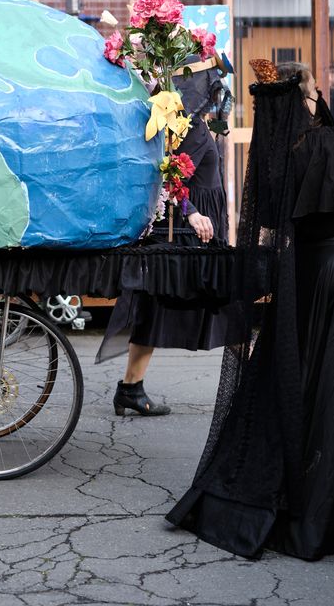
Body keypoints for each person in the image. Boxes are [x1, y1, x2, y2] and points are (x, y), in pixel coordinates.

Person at [165, 60, 334, 560]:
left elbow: (273, 218)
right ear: (308, 98)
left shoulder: (273, 162)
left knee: (311, 379)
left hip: (308, 278)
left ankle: (308, 486)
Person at [98, 68, 235, 416]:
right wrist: (192, 213)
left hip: (198, 227)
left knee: (158, 307)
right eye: (215, 92)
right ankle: (131, 387)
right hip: (190, 232)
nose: (220, 100)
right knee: (160, 307)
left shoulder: (190, 126)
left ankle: (131, 387)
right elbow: (172, 177)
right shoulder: (188, 130)